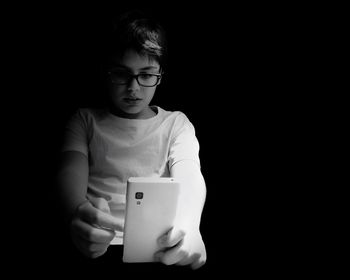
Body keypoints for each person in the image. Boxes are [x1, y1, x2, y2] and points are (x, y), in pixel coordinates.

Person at [56, 9, 207, 271]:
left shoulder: (175, 123)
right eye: (121, 74)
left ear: (161, 75)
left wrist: (191, 224)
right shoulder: (84, 120)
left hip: (159, 251)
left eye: (146, 75)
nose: (133, 88)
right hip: (93, 249)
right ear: (105, 71)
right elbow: (69, 169)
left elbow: (190, 173)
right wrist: (75, 214)